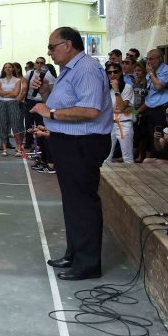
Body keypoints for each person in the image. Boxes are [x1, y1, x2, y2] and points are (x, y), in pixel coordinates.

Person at [30, 26, 113, 281]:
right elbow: (63, 102)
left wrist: (50, 113)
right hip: (69, 141)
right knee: (72, 201)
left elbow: (90, 110)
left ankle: (87, 264)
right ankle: (74, 254)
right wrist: (45, 93)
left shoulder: (86, 69)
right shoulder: (69, 69)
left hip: (83, 143)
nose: (49, 52)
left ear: (68, 45)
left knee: (82, 202)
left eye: (52, 47)